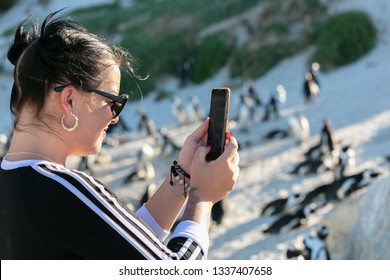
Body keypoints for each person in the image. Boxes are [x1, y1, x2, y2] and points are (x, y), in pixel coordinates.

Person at [0, 11, 240, 260]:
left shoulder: (13, 182)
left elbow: (124, 244)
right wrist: (202, 199)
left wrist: (185, 175)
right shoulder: (65, 189)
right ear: (69, 100)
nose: (115, 117)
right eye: (113, 102)